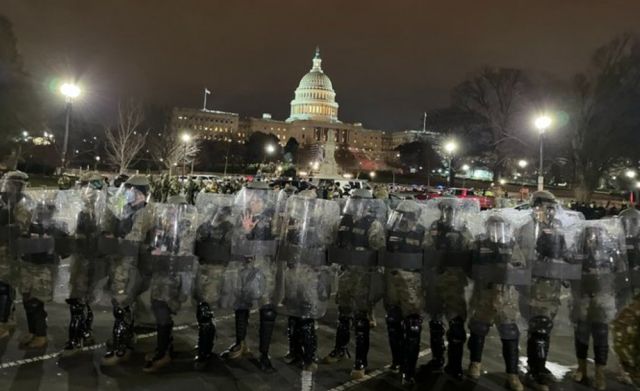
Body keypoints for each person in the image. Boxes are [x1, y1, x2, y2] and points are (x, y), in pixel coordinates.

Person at [322, 189, 386, 379]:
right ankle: (339, 349)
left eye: (359, 202)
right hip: (346, 274)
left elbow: (379, 249)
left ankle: (360, 361)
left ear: (366, 205)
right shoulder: (342, 222)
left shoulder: (373, 225)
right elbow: (331, 241)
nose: (355, 205)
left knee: (361, 319)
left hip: (363, 276)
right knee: (343, 315)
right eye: (354, 201)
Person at [279, 192, 340, 387]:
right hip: (294, 273)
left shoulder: (321, 226)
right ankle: (294, 351)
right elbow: (285, 243)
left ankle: (310, 356)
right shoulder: (294, 225)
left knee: (306, 316)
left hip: (311, 275)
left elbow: (326, 247)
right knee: (293, 315)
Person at [467, 211, 532, 391]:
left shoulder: (511, 244)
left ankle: (512, 374)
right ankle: (475, 364)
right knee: (478, 330)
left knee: (510, 334)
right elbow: (469, 267)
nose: (496, 229)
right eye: (492, 225)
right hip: (484, 294)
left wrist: (509, 267)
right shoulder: (479, 243)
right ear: (487, 227)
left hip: (506, 296)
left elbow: (521, 267)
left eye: (499, 225)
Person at [524, 190, 582, 391]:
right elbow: (523, 255)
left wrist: (575, 260)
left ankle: (539, 366)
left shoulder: (557, 227)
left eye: (551, 206)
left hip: (553, 284)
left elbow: (564, 252)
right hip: (537, 284)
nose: (549, 210)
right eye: (545, 206)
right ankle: (535, 371)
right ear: (536, 206)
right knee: (538, 327)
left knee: (545, 327)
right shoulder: (529, 227)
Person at [221, 182, 282, 372]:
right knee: (241, 305)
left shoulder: (274, 218)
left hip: (265, 270)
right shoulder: (241, 216)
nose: (253, 202)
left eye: (257, 199)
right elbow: (231, 240)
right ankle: (240, 343)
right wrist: (245, 232)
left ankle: (264, 354)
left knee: (267, 310)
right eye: (251, 198)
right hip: (243, 267)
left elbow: (280, 241)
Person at [422, 197, 478, 381]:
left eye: (452, 210)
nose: (449, 213)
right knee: (436, 322)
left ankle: (454, 365)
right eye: (445, 210)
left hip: (454, 282)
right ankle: (437, 359)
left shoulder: (463, 231)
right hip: (435, 279)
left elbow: (471, 253)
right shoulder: (434, 228)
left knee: (456, 326)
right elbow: (426, 248)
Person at [100, 175, 153, 366]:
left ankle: (121, 350)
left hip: (133, 267)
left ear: (140, 194)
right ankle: (126, 339)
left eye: (131, 190)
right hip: (122, 265)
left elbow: (133, 241)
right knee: (123, 306)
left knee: (122, 307)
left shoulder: (145, 213)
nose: (127, 194)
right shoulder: (129, 210)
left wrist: (113, 240)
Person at [142, 194, 197, 372]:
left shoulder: (185, 229)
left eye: (174, 208)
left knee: (163, 311)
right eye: (169, 208)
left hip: (173, 279)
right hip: (161, 276)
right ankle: (164, 348)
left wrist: (162, 254)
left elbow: (184, 254)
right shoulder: (165, 226)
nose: (171, 211)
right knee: (158, 309)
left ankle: (163, 353)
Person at [570, 221, 628, 391]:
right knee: (581, 332)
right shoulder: (577, 250)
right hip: (582, 296)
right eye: (588, 235)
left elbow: (620, 271)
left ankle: (599, 373)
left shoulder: (609, 252)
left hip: (603, 297)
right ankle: (582, 368)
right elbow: (568, 268)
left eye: (595, 234)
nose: (591, 238)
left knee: (601, 334)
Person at [381, 200, 429, 384]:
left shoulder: (422, 233)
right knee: (393, 322)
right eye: (400, 215)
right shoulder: (392, 232)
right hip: (393, 282)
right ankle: (397, 360)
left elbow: (429, 259)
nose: (403, 219)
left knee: (413, 326)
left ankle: (408, 370)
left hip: (413, 285)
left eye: (407, 216)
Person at [62, 172, 104, 355]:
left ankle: (77, 337)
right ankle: (84, 332)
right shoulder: (89, 209)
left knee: (79, 298)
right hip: (84, 258)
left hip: (88, 259)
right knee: (83, 297)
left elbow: (94, 236)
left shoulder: (94, 211)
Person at [192, 192, 235, 370]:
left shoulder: (228, 228)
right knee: (201, 308)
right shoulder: (205, 225)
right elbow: (197, 242)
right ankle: (205, 342)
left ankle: (205, 351)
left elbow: (225, 249)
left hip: (216, 271)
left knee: (205, 311)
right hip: (201, 269)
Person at [0, 171, 29, 340]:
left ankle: (3, 322)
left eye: (13, 184)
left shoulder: (23, 205)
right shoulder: (3, 202)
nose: (9, 187)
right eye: (7, 183)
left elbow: (20, 229)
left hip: (10, 253)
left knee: (5, 287)